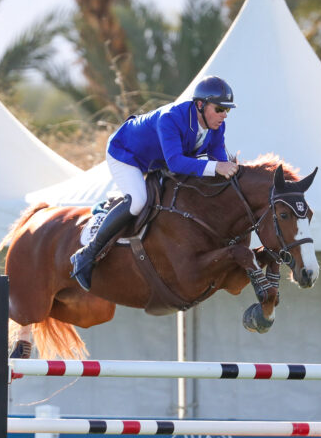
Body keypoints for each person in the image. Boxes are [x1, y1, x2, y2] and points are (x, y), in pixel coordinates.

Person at [70, 75, 241, 291]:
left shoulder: (217, 126)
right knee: (137, 201)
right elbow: (176, 162)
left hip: (157, 160)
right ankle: (86, 255)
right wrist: (216, 168)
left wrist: (230, 173)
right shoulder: (171, 118)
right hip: (126, 153)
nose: (224, 115)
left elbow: (218, 159)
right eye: (219, 109)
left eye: (228, 111)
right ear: (200, 104)